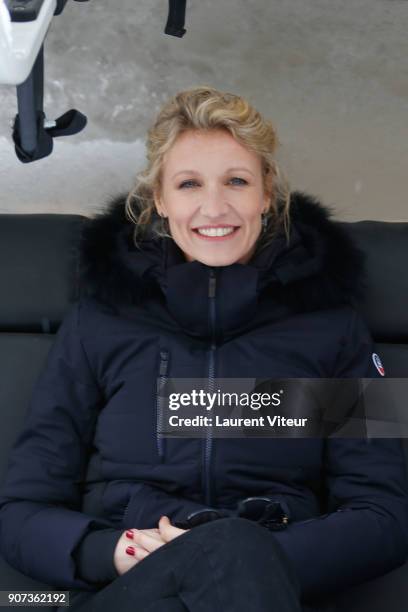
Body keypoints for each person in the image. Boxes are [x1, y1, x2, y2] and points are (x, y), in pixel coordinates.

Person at [0, 85, 408, 612]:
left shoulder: (332, 330)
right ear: (160, 201)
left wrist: (248, 556)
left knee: (233, 552)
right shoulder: (97, 325)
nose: (214, 207)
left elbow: (382, 516)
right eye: (189, 184)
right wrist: (114, 551)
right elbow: (22, 512)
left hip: (273, 584)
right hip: (129, 591)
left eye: (236, 181)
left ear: (266, 194)